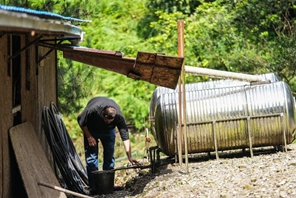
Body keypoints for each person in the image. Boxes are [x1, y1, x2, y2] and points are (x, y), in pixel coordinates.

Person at [77, 96, 140, 189]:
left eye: (110, 121)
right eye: (106, 120)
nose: (108, 122)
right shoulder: (93, 109)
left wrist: (129, 156)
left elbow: (125, 137)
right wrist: (89, 136)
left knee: (109, 157)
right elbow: (80, 120)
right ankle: (94, 187)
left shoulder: (119, 117)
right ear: (103, 114)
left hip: (108, 131)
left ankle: (108, 185)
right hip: (91, 129)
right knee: (92, 158)